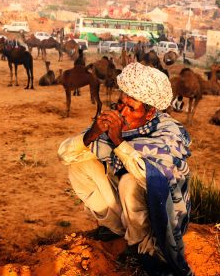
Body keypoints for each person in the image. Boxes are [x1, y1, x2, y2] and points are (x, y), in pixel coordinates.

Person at [58, 63, 193, 276]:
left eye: (132, 108)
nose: (122, 111)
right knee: (79, 163)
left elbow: (154, 180)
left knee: (130, 182)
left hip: (161, 217)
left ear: (150, 113)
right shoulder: (115, 122)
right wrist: (92, 133)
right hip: (128, 211)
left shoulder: (169, 133)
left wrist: (119, 143)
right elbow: (64, 154)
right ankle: (118, 231)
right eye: (121, 103)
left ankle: (143, 248)